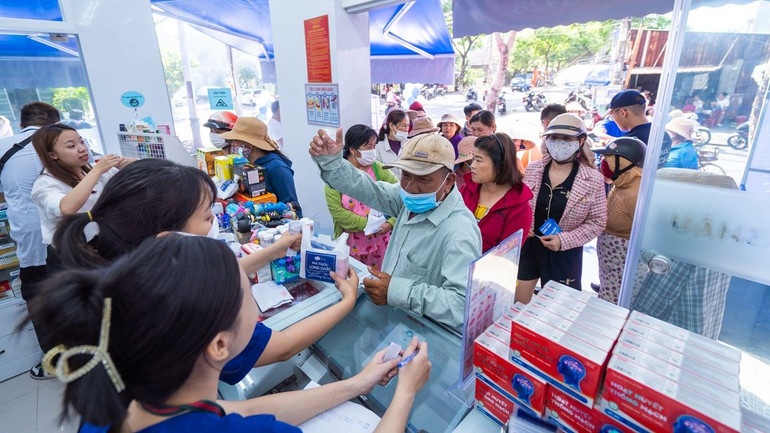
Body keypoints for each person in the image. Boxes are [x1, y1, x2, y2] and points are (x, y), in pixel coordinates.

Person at [30, 235, 431, 433]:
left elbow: (236, 412)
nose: (257, 306)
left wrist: (358, 383)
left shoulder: (113, 405)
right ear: (220, 345)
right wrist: (406, 393)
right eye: (248, 297)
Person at [52, 158, 370, 385]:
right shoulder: (185, 303)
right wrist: (346, 302)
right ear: (169, 236)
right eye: (207, 215)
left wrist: (274, 249)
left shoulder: (127, 277)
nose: (214, 222)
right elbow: (282, 345)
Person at [310, 130, 481, 331]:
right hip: (394, 322)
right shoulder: (407, 201)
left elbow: (460, 305)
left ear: (449, 181)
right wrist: (332, 162)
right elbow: (366, 188)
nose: (411, 187)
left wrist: (396, 291)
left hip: (425, 335)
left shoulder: (459, 232)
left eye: (424, 179)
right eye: (406, 175)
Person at [631, 168, 738, 339]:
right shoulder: (724, 233)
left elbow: (660, 294)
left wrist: (635, 315)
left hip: (674, 328)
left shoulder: (686, 239)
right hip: (704, 326)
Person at [517, 114, 607, 302]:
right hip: (529, 247)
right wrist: (524, 224)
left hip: (565, 253)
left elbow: (597, 222)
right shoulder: (533, 169)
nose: (559, 143)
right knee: (518, 303)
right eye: (554, 138)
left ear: (581, 141)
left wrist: (563, 240)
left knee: (557, 311)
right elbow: (521, 204)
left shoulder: (593, 179)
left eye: (566, 139)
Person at [0, 102, 60, 379]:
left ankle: (53, 360)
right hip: (69, 235)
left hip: (31, 237)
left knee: (39, 298)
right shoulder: (62, 143)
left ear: (22, 122)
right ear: (55, 121)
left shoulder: (5, 147)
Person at [30, 124, 134, 270]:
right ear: (52, 155)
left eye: (82, 141)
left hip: (102, 246)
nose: (82, 148)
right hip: (70, 255)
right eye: (71, 146)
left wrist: (132, 163)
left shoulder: (93, 171)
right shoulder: (45, 184)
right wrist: (96, 172)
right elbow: (66, 208)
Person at [325, 125, 398, 269]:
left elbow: (400, 196)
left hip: (380, 243)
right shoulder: (336, 174)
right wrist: (369, 224)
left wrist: (391, 222)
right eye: (368, 146)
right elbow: (337, 212)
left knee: (377, 280)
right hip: (351, 245)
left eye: (374, 145)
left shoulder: (379, 169)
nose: (373, 150)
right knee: (352, 280)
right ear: (353, 150)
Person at [593, 137, 647, 304]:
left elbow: (647, 234)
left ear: (623, 163)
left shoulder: (636, 194)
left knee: (614, 303)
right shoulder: (622, 181)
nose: (603, 163)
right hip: (611, 259)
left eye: (608, 158)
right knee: (607, 291)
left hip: (623, 262)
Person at [460, 133, 533, 253]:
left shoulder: (519, 209)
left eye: (479, 160)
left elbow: (505, 255)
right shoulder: (466, 190)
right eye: (473, 159)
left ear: (500, 164)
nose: (472, 166)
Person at [220, 117, 301, 212]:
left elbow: (292, 207)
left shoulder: (277, 168)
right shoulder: (247, 165)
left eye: (235, 140)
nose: (232, 145)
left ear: (249, 144)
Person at [610, 89, 672, 168]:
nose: (613, 119)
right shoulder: (663, 134)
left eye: (612, 116)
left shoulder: (629, 142)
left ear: (623, 112)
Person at [375, 109, 410, 178]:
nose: (406, 129)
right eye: (403, 125)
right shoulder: (379, 147)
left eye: (408, 125)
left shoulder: (410, 144)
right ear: (391, 125)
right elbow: (378, 172)